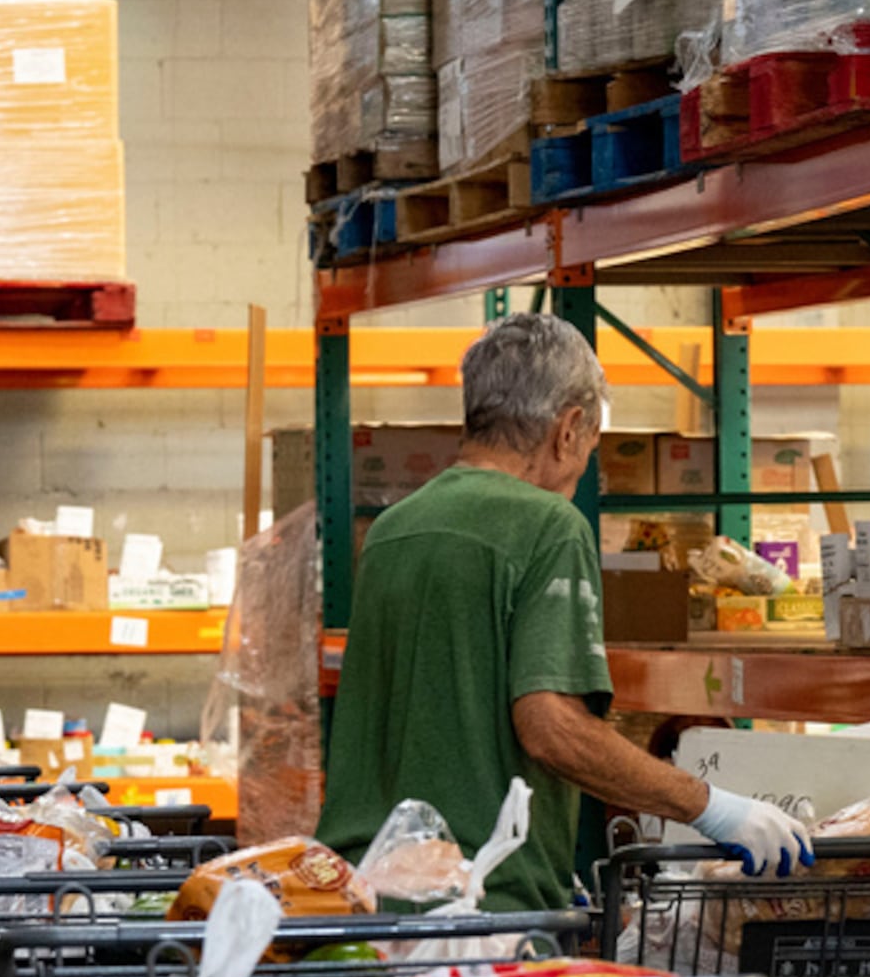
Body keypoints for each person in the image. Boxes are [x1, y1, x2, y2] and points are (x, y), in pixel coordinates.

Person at [315, 313, 814, 911]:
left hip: (362, 898)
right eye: (593, 445)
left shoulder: (394, 530)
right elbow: (552, 728)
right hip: (480, 907)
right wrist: (714, 808)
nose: (581, 473)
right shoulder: (548, 525)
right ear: (569, 428)